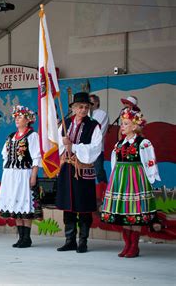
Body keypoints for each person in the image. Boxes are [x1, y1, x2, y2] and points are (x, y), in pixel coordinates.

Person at [101, 108, 159, 258]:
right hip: (121, 179)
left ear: (134, 126)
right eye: (122, 123)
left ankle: (134, 246)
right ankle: (127, 244)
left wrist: (151, 178)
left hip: (135, 178)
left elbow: (150, 161)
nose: (122, 126)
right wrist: (114, 180)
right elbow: (114, 163)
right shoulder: (119, 143)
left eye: (125, 124)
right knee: (126, 212)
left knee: (135, 211)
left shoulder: (143, 143)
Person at [56, 92, 103, 253]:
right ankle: (70, 240)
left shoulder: (93, 125)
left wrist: (74, 146)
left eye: (86, 107)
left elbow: (96, 147)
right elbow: (57, 145)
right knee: (68, 206)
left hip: (82, 170)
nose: (83, 110)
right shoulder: (65, 123)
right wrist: (63, 144)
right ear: (74, 108)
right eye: (80, 107)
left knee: (83, 206)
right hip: (67, 168)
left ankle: (83, 241)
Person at [0, 106, 42, 248]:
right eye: (16, 116)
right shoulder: (11, 136)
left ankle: (27, 238)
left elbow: (36, 157)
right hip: (11, 174)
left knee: (25, 204)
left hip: (24, 174)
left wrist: (33, 175)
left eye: (20, 116)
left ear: (28, 120)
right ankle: (20, 237)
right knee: (15, 205)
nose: (17, 119)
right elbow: (5, 155)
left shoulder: (32, 136)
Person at [89, 94, 109, 185]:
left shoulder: (102, 114)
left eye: (91, 103)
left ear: (97, 103)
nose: (89, 105)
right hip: (85, 148)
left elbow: (100, 131)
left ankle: (104, 191)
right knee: (85, 171)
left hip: (97, 148)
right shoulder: (86, 113)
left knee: (99, 171)